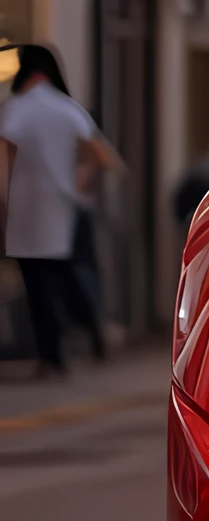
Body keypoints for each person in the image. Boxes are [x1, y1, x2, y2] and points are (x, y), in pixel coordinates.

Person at [0, 45, 120, 374]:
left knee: (38, 286)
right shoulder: (67, 108)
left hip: (25, 210)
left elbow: (5, 161)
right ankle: (94, 335)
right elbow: (102, 156)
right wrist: (75, 183)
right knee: (68, 278)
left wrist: (4, 205)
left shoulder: (17, 108)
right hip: (63, 207)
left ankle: (52, 357)